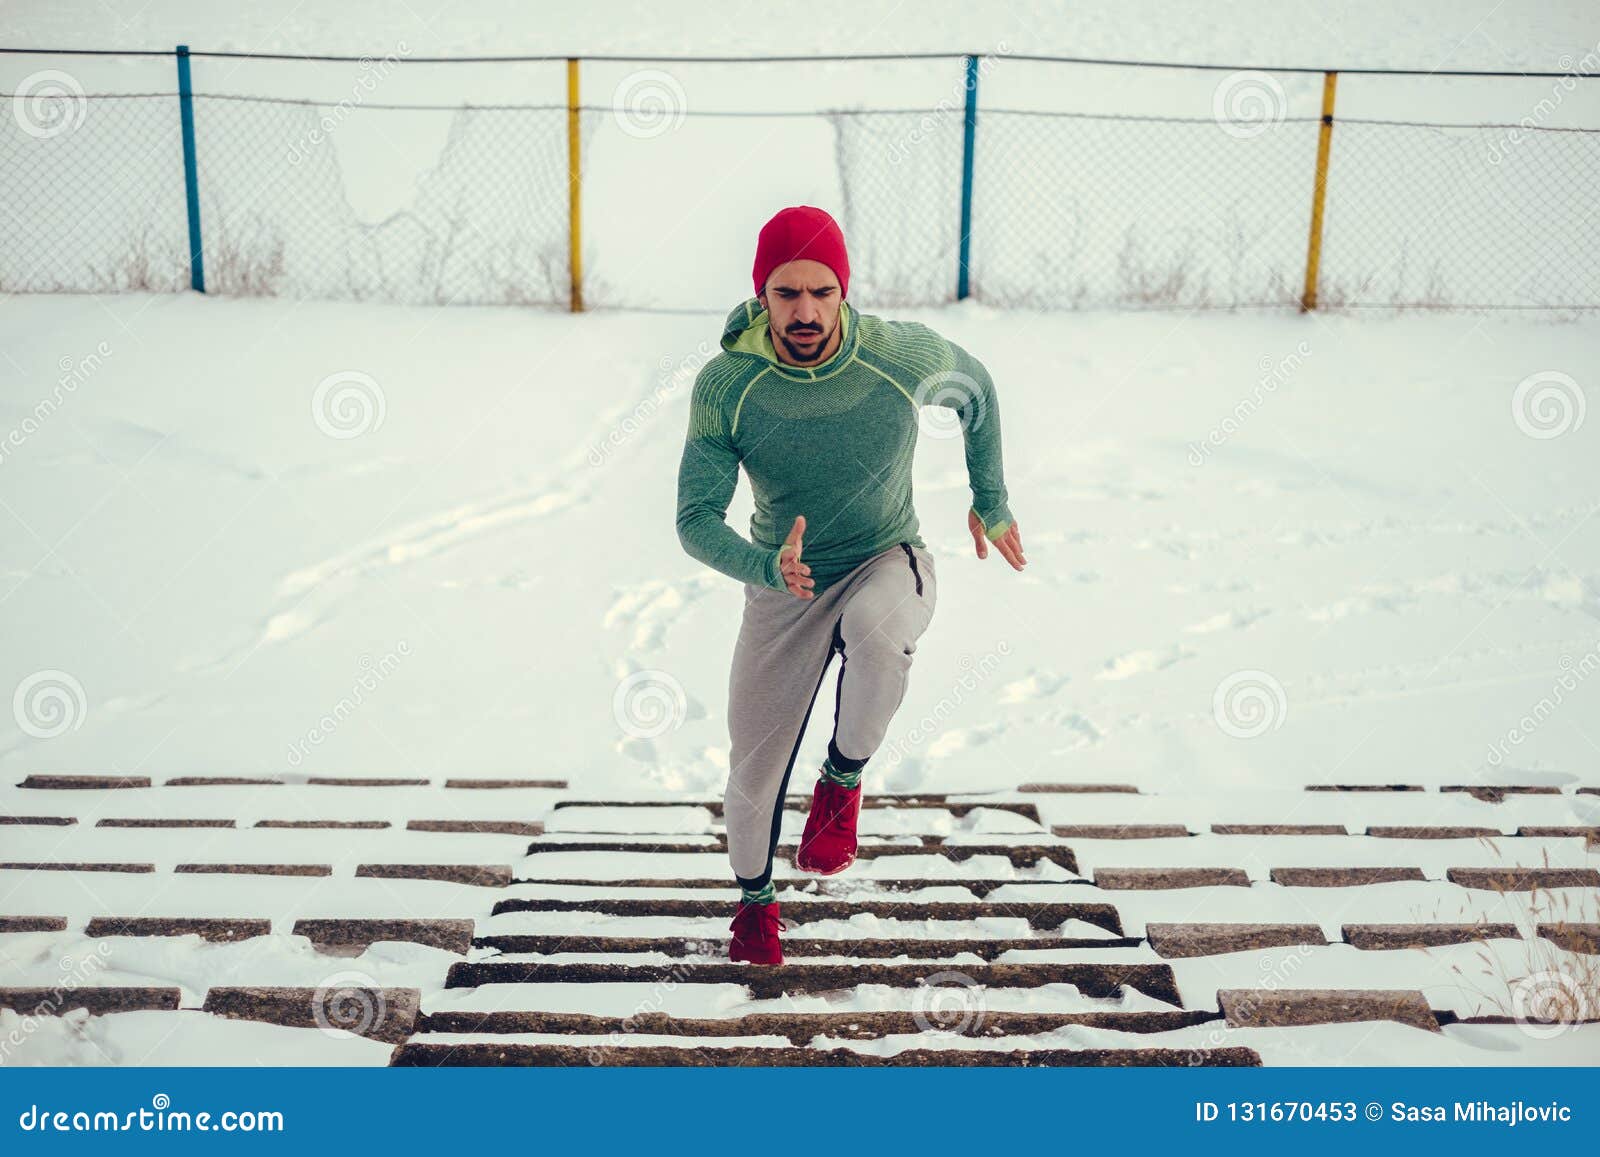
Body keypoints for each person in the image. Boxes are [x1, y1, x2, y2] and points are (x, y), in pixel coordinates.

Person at [673, 205, 1026, 965]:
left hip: (885, 557)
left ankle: (841, 781)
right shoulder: (728, 385)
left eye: (822, 291)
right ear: (760, 295)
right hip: (784, 583)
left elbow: (979, 390)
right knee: (750, 773)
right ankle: (756, 908)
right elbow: (695, 518)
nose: (805, 311)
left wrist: (989, 498)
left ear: (845, 290)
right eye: (787, 292)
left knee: (877, 629)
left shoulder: (896, 356)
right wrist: (767, 567)